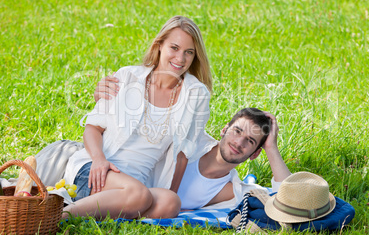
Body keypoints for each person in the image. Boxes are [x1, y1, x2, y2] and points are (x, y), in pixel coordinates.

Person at [62, 15, 213, 219]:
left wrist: (171, 192)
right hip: (96, 171)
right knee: (139, 195)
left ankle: (114, 206)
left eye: (189, 52)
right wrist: (99, 160)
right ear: (159, 45)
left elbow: (182, 155)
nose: (180, 58)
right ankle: (61, 217)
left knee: (171, 202)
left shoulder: (197, 94)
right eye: (174, 48)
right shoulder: (127, 77)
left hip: (140, 185)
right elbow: (93, 127)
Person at [96, 77, 291, 209]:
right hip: (106, 172)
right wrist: (105, 98)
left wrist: (271, 148)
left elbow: (290, 198)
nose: (238, 142)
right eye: (237, 131)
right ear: (224, 130)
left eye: (249, 141)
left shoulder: (231, 191)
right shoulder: (190, 138)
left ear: (255, 153)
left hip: (123, 201)